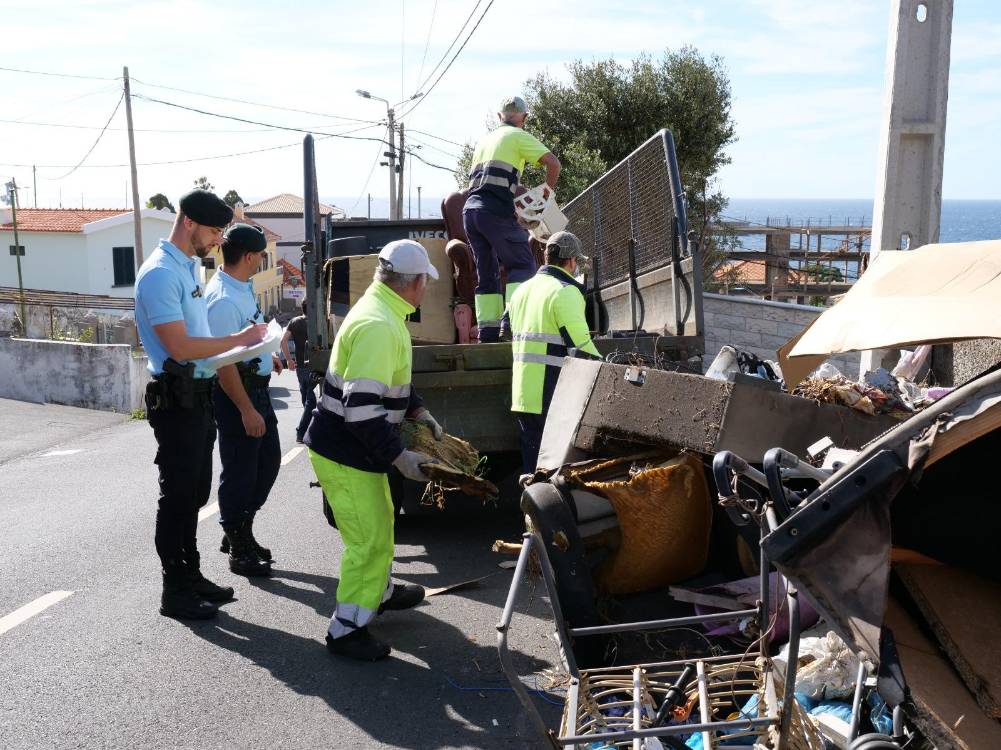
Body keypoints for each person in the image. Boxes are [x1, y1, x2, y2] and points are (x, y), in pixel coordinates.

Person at [305, 239, 444, 661]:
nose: (426, 289)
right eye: (425, 282)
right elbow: (361, 408)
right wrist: (400, 458)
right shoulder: (380, 324)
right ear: (415, 282)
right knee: (368, 542)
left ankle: (378, 593)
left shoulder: (381, 311)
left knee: (380, 524)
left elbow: (389, 380)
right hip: (347, 451)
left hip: (352, 449)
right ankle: (346, 629)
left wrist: (417, 410)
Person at [134, 190, 267, 620]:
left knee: (195, 494)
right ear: (188, 221)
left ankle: (191, 576)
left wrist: (251, 347)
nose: (216, 241)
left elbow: (200, 338)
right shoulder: (159, 274)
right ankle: (175, 588)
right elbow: (179, 344)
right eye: (212, 231)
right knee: (177, 497)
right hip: (177, 399)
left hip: (198, 397)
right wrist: (239, 341)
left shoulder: (187, 267)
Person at [205, 223, 283, 578]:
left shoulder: (241, 286)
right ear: (249, 256)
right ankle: (238, 544)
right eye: (261, 256)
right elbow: (223, 363)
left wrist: (268, 355)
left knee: (267, 464)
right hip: (239, 396)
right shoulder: (221, 299)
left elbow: (248, 335)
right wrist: (246, 409)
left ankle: (239, 530)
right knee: (240, 471)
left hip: (257, 389)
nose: (262, 261)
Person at [462, 95, 561, 342]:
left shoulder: (484, 141)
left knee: (486, 273)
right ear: (524, 118)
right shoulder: (518, 136)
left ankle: (488, 332)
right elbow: (553, 164)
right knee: (522, 264)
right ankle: (511, 322)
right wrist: (544, 198)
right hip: (494, 211)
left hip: (471, 212)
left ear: (499, 116)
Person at [508, 231, 600, 474]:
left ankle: (531, 511)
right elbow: (582, 349)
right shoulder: (565, 291)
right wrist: (610, 367)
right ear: (571, 262)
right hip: (552, 394)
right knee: (558, 472)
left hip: (523, 396)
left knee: (532, 471)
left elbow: (505, 329)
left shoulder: (521, 291)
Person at [281, 299, 315, 444]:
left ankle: (306, 430)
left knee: (306, 399)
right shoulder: (318, 322)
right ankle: (301, 431)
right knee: (310, 400)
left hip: (300, 367)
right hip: (314, 366)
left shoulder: (294, 322)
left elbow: (283, 341)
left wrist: (289, 360)